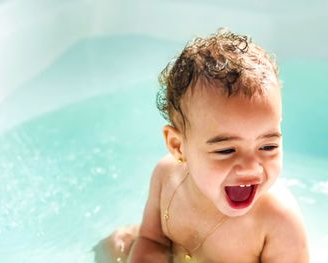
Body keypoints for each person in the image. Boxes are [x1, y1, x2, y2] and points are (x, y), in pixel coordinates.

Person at [100, 28, 309, 263]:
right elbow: (153, 240)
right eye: (226, 150)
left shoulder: (278, 220)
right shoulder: (166, 176)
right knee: (115, 244)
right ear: (178, 146)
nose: (251, 168)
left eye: (268, 147)